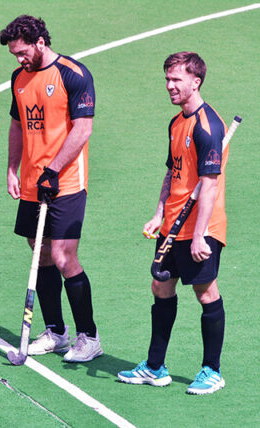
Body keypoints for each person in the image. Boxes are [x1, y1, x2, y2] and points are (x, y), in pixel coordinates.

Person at [118, 52, 229, 395]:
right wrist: (159, 214)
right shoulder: (176, 122)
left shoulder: (208, 127)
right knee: (161, 286)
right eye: (167, 79)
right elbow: (173, 172)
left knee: (205, 292)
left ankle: (212, 370)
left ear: (196, 82)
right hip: (172, 225)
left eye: (176, 79)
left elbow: (209, 186)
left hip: (201, 229)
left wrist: (199, 236)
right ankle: (155, 367)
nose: (169, 85)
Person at [0, 15, 101, 363]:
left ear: (40, 42)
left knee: (63, 256)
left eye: (23, 52)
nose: (19, 59)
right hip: (33, 182)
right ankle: (56, 332)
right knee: (39, 252)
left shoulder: (73, 74)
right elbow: (18, 125)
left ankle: (89, 337)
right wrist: (12, 168)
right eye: (14, 54)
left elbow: (83, 129)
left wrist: (53, 170)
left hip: (66, 181)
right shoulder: (19, 78)